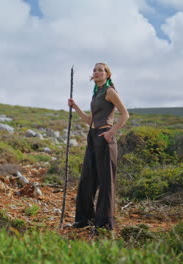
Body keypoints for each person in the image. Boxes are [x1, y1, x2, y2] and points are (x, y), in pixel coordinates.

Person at [67, 62, 129, 230]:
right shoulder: (96, 93)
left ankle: (104, 224)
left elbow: (125, 114)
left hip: (105, 138)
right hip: (92, 137)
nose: (96, 72)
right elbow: (90, 121)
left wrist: (111, 133)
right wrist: (75, 107)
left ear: (107, 74)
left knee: (106, 182)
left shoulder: (110, 91)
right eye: (94, 70)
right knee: (87, 179)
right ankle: (84, 220)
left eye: (100, 70)